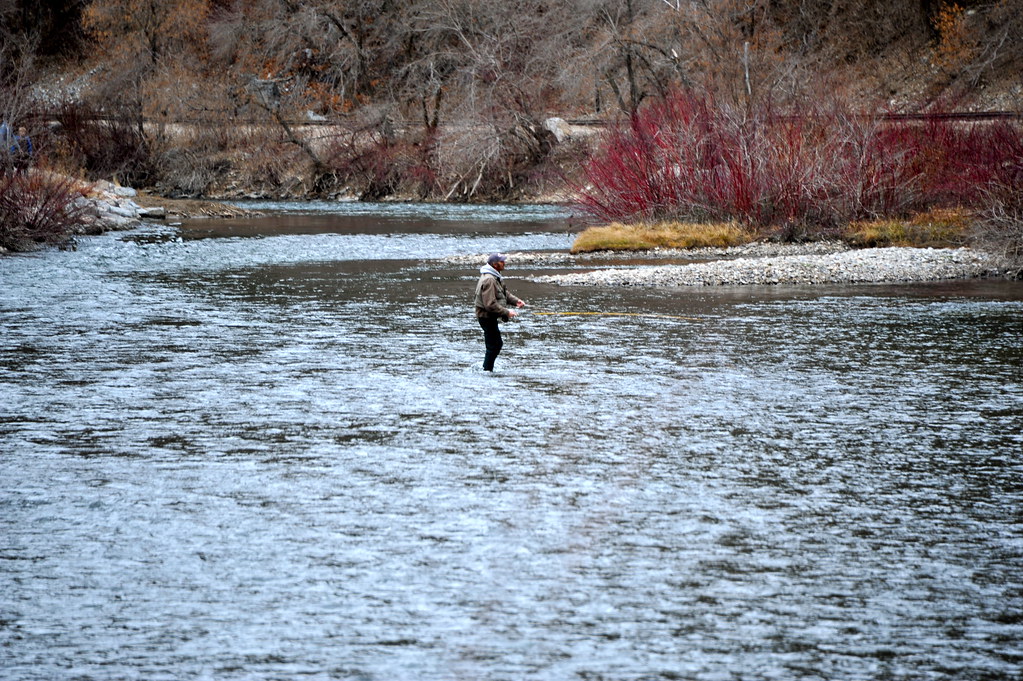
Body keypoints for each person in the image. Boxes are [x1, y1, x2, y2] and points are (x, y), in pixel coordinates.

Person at [474, 252, 526, 371]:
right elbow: (490, 305)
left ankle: (487, 369)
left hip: (489, 316)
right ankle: (487, 371)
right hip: (486, 317)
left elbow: (503, 293)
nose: (504, 263)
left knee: (495, 345)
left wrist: (516, 301)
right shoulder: (489, 280)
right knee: (494, 346)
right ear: (495, 264)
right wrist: (507, 312)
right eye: (502, 261)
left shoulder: (495, 276)